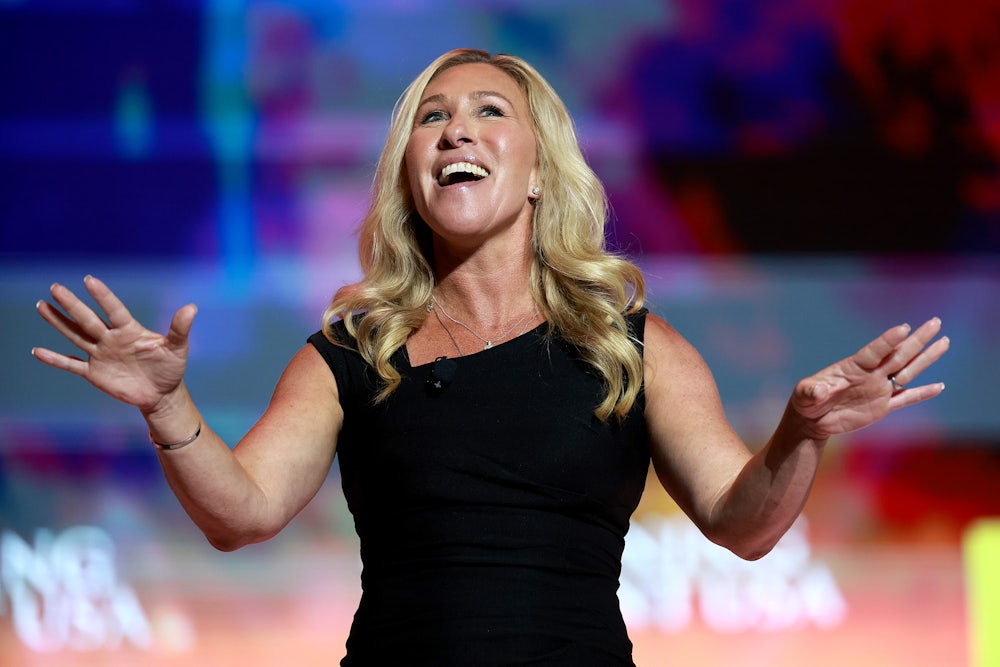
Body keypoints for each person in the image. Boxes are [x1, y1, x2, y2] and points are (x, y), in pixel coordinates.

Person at [32, 49, 949, 665]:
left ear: (541, 167)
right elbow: (241, 515)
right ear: (409, 172)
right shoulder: (353, 353)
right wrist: (166, 405)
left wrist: (800, 431)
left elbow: (743, 525)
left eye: (487, 112)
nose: (455, 131)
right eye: (431, 118)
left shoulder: (634, 347)